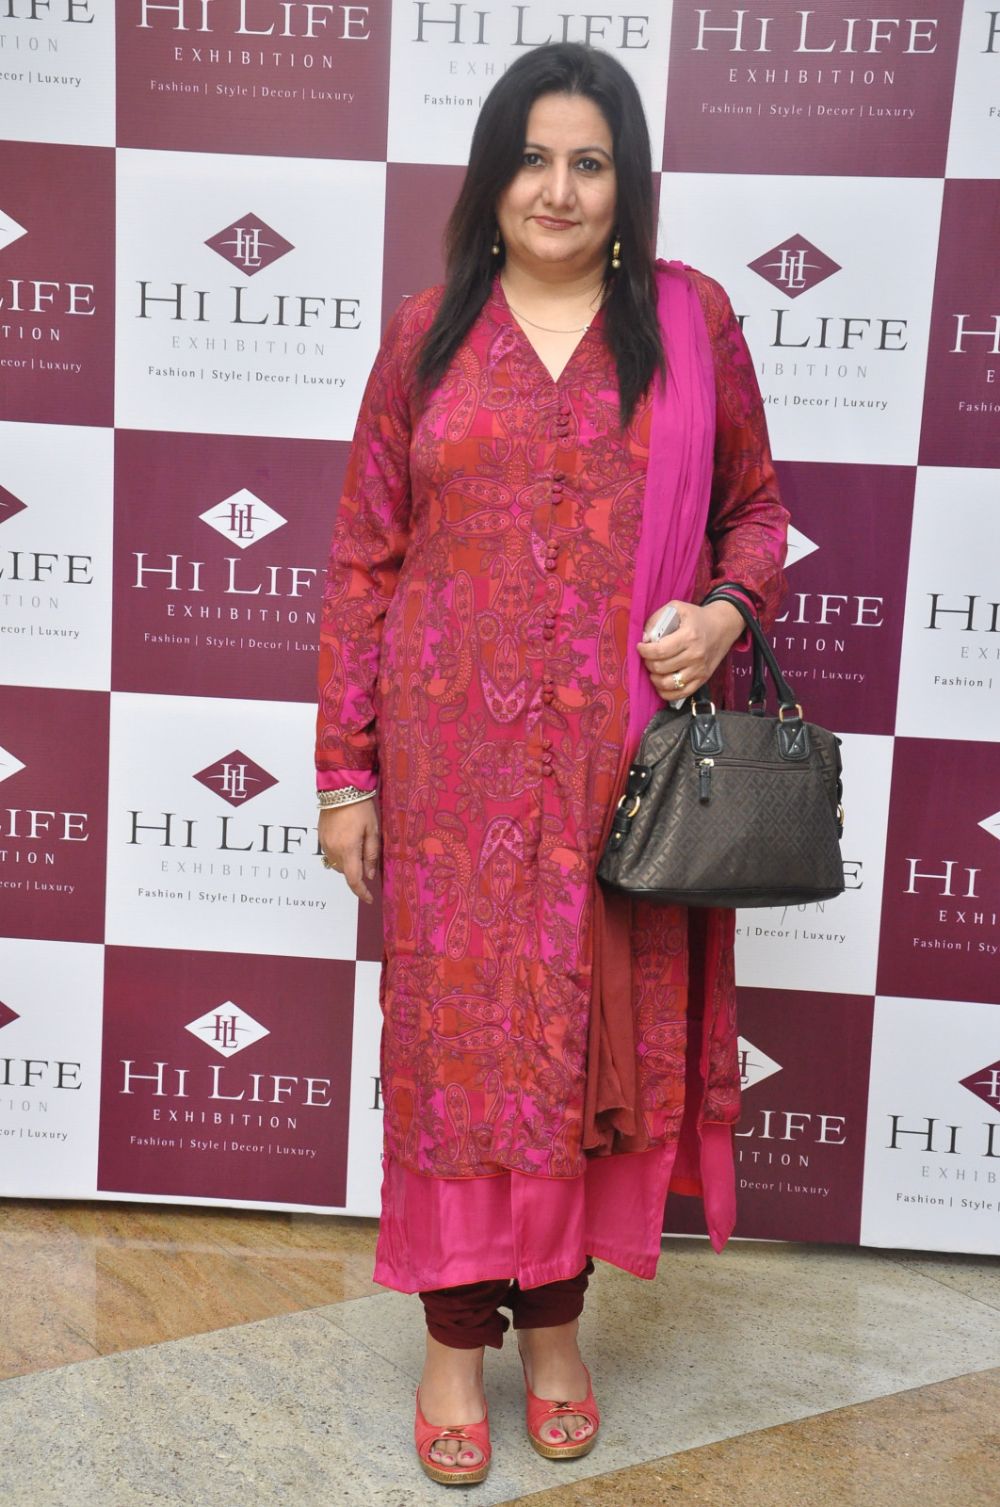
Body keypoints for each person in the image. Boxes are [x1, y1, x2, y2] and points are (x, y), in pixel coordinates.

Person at [315, 42, 788, 1487]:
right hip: (452, 784)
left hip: (620, 782)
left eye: (589, 162)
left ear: (627, 182)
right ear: (492, 176)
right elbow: (363, 562)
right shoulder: (427, 335)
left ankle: (561, 1333)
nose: (559, 190)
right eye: (532, 158)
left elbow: (757, 513)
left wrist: (724, 614)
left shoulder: (691, 325)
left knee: (589, 1060)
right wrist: (346, 774)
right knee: (461, 1062)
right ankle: (456, 1346)